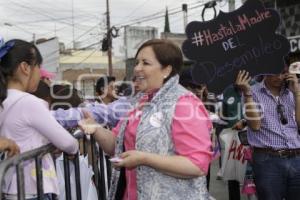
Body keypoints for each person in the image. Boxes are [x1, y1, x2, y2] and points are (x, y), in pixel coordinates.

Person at [79, 39, 213, 200]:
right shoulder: (139, 101)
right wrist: (96, 129)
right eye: (137, 62)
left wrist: (144, 159)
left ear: (166, 70)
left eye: (145, 63)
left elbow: (196, 165)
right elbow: (117, 145)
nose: (137, 68)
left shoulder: (185, 103)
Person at [0, 39, 79, 200]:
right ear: (25, 68)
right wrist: (75, 146)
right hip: (34, 189)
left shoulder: (3, 100)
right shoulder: (29, 102)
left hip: (10, 188)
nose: (40, 73)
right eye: (39, 67)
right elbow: (67, 143)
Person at [236, 69, 300, 200]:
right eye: (274, 72)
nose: (279, 77)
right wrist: (247, 93)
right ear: (264, 72)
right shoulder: (252, 91)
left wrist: (297, 94)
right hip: (268, 160)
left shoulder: (293, 91)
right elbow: (255, 126)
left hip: (296, 157)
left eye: (283, 72)